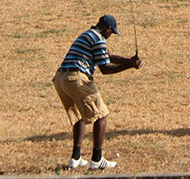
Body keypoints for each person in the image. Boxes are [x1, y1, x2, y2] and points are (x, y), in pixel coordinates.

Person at [53, 14, 141, 170]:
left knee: (79, 116)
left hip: (61, 78)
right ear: (107, 29)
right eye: (111, 32)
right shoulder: (99, 39)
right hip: (77, 78)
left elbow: (108, 56)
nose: (110, 36)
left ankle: (75, 158)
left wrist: (129, 60)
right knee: (101, 115)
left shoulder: (88, 34)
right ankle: (97, 160)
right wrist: (129, 66)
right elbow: (105, 69)